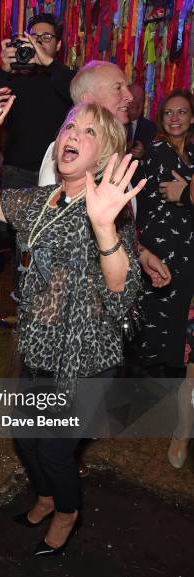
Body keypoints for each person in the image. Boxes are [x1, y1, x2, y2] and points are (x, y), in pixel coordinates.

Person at [0, 94, 144, 555]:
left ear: (105, 156)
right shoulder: (41, 201)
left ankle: (68, 509)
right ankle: (47, 495)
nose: (74, 136)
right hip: (39, 350)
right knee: (25, 438)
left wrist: (106, 230)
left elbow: (123, 294)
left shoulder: (108, 209)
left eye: (90, 133)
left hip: (84, 362)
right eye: (71, 126)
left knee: (52, 448)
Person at [39, 60, 171, 291]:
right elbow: (49, 238)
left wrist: (139, 253)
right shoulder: (66, 156)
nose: (129, 96)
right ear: (88, 100)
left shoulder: (114, 156)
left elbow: (112, 229)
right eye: (118, 88)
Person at [134, 89, 194, 463]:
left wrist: (186, 192)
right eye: (169, 112)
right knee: (161, 335)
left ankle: (182, 426)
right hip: (168, 255)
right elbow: (149, 202)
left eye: (182, 112)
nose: (174, 118)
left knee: (186, 341)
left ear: (192, 117)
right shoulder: (157, 152)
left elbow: (180, 195)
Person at [0, 12, 74, 189]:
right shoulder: (15, 77)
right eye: (34, 38)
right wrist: (4, 70)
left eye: (46, 37)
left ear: (58, 45)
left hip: (55, 171)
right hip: (16, 171)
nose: (39, 42)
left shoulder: (65, 77)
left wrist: (49, 64)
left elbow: (79, 94)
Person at [126, 82, 157, 160]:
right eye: (134, 97)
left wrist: (144, 153)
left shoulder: (151, 128)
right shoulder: (113, 123)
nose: (137, 103)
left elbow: (156, 156)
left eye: (141, 100)